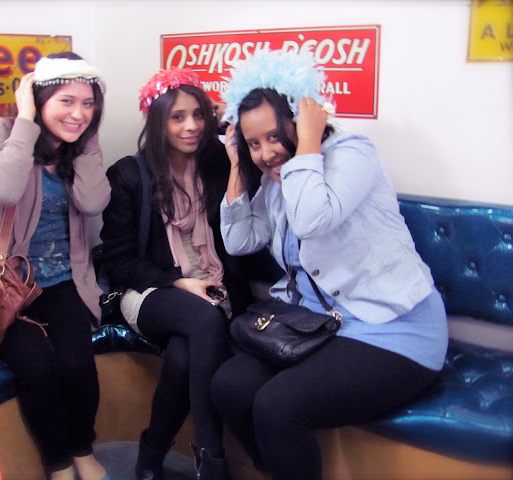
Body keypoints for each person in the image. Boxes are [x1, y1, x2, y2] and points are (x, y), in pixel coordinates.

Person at [210, 49, 449, 480]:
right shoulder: (279, 177)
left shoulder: (351, 153)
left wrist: (306, 144)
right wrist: (237, 165)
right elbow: (240, 240)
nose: (266, 152)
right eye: (253, 142)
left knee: (277, 407)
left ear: (300, 120)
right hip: (321, 325)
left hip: (395, 327)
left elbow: (311, 219)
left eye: (274, 135)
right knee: (229, 387)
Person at [99, 68, 253, 480]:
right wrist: (180, 282)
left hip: (215, 287)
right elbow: (118, 262)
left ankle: (149, 459)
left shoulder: (218, 165)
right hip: (150, 291)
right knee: (203, 317)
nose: (191, 126)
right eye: (177, 116)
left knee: (184, 358)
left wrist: (229, 123)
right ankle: (212, 459)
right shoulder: (129, 175)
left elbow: (258, 149)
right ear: (157, 121)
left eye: (199, 115)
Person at [0, 52, 111, 480]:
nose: (78, 114)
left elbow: (93, 201)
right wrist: (26, 119)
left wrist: (88, 138)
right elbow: (5, 189)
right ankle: (58, 463)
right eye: (67, 101)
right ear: (38, 97)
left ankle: (82, 449)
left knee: (77, 363)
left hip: (64, 280)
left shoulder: (79, 145)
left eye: (88, 104)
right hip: (5, 284)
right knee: (36, 367)